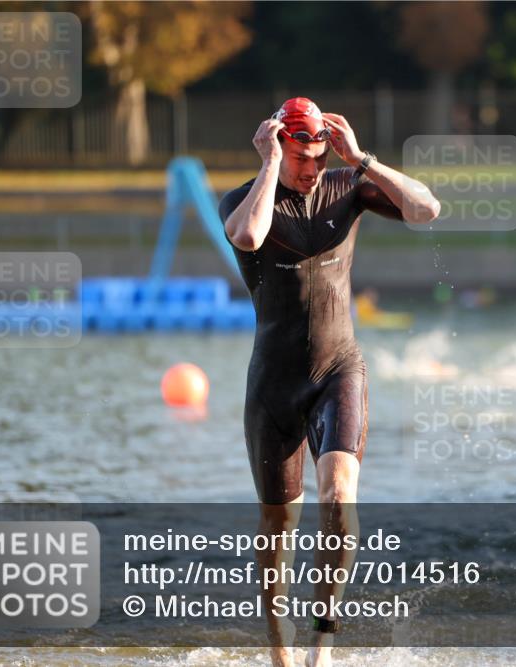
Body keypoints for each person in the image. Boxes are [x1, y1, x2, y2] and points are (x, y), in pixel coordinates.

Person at [219, 97, 440, 667]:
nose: (311, 168)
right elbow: (247, 238)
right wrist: (271, 166)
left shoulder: (347, 186)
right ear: (278, 145)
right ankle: (280, 655)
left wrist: (362, 159)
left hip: (339, 367)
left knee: (340, 496)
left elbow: (425, 210)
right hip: (274, 383)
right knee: (279, 524)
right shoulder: (245, 199)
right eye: (300, 157)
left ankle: (322, 646)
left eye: (318, 156)